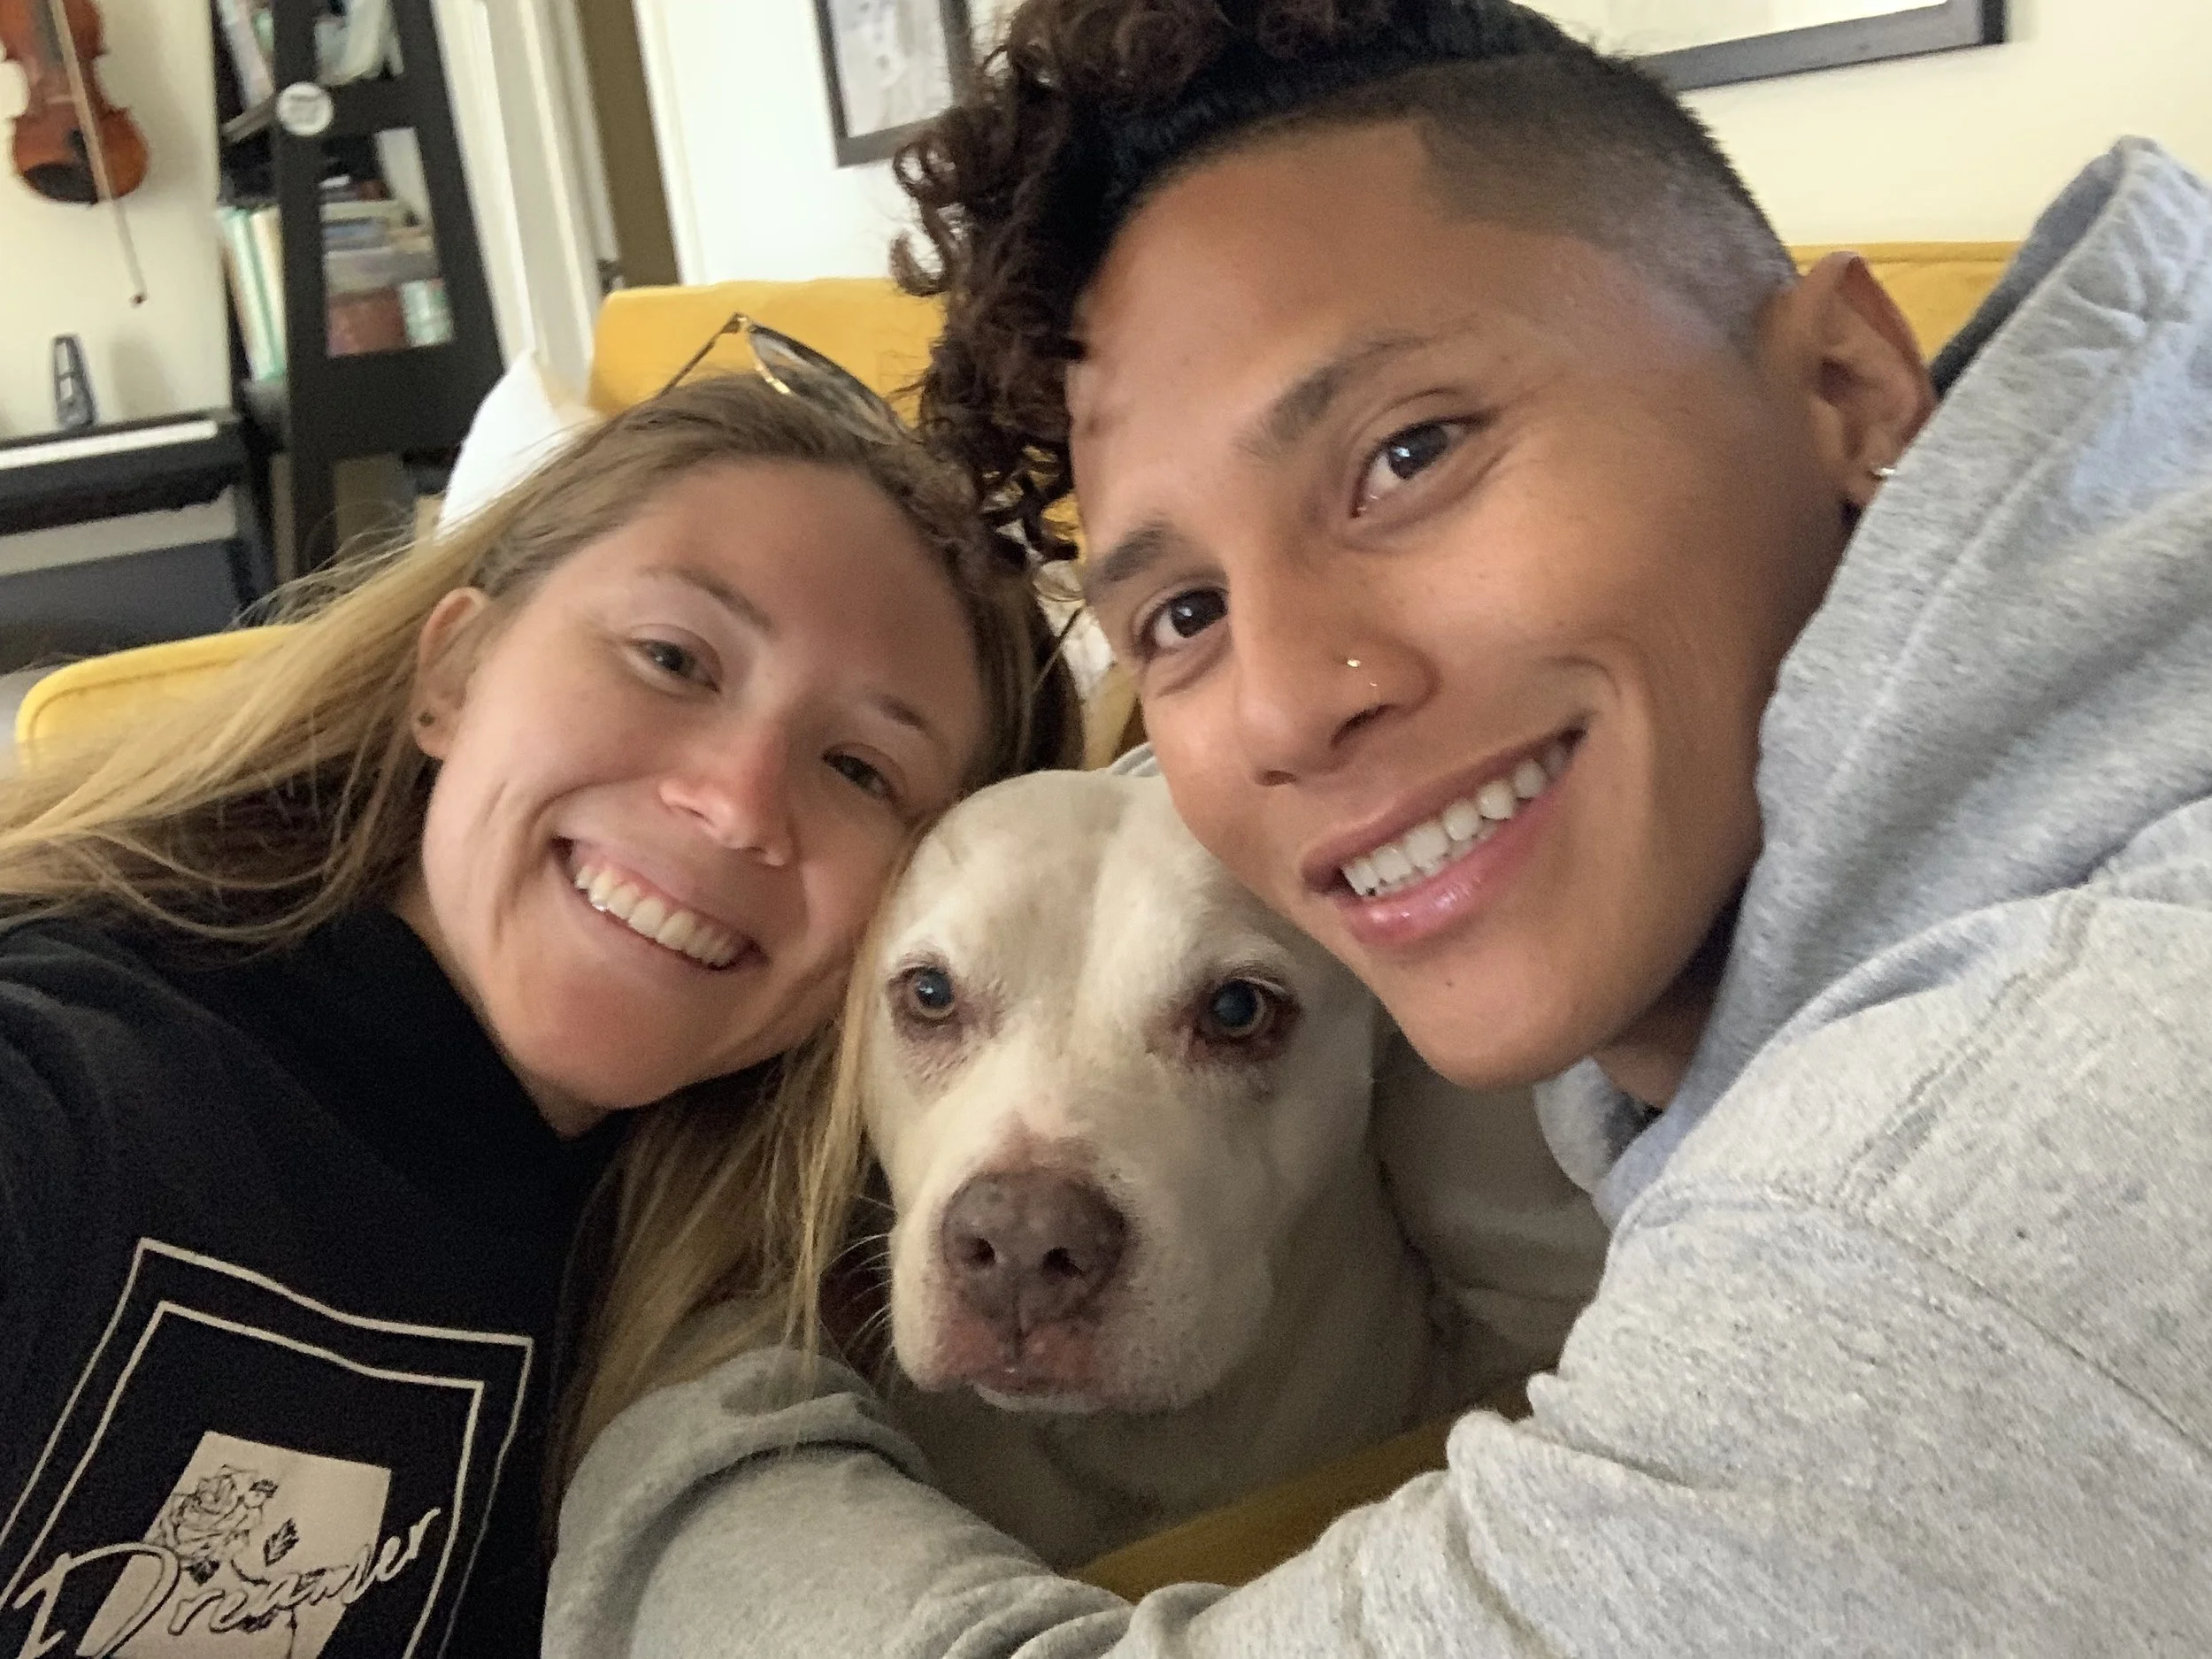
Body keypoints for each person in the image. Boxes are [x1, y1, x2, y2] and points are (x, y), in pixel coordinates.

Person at [546, 0, 2212, 1653]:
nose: (1285, 707)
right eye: (1184, 613)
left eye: (1409, 455)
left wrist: (659, 1419)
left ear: (1844, 384)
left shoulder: (1974, 1194)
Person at [0, 373, 1076, 1659]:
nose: (738, 802)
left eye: (860, 768)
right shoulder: (76, 1075)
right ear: (455, 671)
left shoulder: (747, 1320)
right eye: (673, 659)